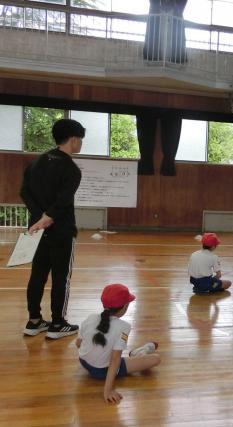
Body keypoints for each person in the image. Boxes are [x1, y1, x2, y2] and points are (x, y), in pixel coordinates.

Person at [21, 119, 85, 339]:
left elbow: (24, 192)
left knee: (37, 275)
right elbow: (62, 201)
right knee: (61, 278)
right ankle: (57, 324)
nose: (80, 144)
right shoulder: (71, 169)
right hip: (62, 231)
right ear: (73, 140)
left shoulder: (36, 163)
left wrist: (39, 217)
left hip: (37, 230)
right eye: (80, 140)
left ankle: (34, 321)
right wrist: (47, 218)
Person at [76, 284, 161, 403]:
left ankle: (137, 354)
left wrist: (95, 352)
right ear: (125, 307)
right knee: (156, 359)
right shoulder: (124, 327)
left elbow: (78, 343)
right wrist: (108, 390)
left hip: (84, 362)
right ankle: (139, 353)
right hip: (102, 371)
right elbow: (115, 360)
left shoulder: (91, 317)